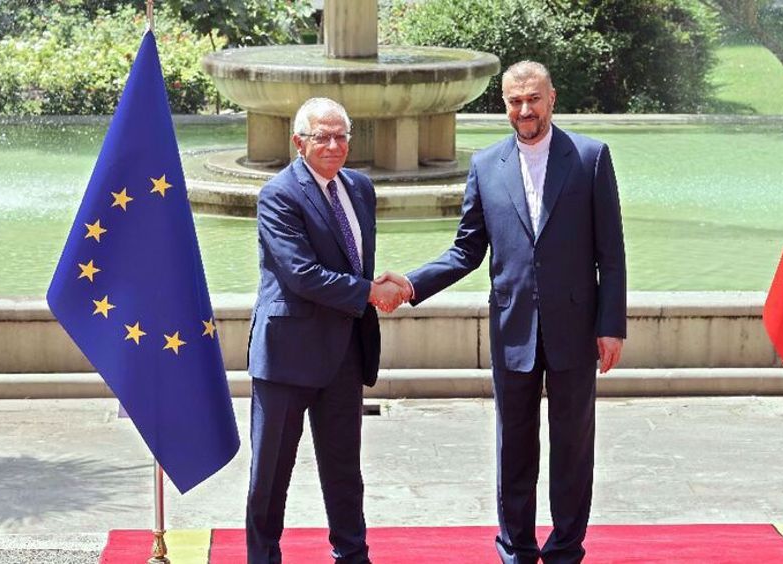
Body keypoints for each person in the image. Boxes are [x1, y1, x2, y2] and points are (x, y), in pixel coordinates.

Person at [381, 60, 626, 563]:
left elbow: (612, 253)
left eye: (533, 99)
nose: (524, 109)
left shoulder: (590, 157)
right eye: (515, 101)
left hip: (576, 330)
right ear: (505, 105)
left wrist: (611, 326)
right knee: (513, 448)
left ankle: (564, 548)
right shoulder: (484, 165)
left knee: (573, 449)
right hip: (512, 329)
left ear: (551, 98)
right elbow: (465, 252)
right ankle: (515, 548)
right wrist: (410, 284)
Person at [246, 97, 406, 564]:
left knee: (344, 469)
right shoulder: (278, 194)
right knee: (271, 473)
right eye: (323, 137)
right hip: (287, 356)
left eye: (342, 136)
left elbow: (356, 261)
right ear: (299, 142)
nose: (334, 145)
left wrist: (370, 289)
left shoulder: (360, 188)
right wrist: (368, 293)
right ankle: (263, 558)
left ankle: (352, 555)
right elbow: (300, 273)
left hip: (344, 352)